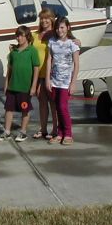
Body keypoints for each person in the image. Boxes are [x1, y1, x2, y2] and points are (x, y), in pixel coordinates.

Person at [0, 25, 40, 142]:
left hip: (25, 88)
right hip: (12, 86)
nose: (18, 38)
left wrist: (34, 85)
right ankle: (7, 131)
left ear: (27, 37)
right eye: (17, 36)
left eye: (21, 35)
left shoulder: (32, 51)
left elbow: (36, 69)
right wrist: (6, 84)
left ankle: (23, 132)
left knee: (25, 110)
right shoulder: (13, 53)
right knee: (8, 109)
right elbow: (9, 69)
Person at [45, 16, 80, 145]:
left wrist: (73, 82)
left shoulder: (73, 44)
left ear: (68, 28)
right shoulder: (52, 42)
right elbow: (49, 60)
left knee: (63, 107)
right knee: (57, 108)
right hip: (55, 80)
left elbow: (76, 64)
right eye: (58, 28)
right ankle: (60, 134)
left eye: (62, 27)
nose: (60, 30)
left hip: (66, 83)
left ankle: (68, 134)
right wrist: (48, 79)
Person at [31, 8, 57, 140]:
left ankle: (55, 129)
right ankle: (43, 129)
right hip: (38, 74)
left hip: (52, 74)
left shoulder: (56, 34)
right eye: (41, 18)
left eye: (46, 18)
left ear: (52, 19)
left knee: (53, 102)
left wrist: (78, 42)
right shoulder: (35, 35)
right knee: (42, 102)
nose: (44, 20)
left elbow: (69, 39)